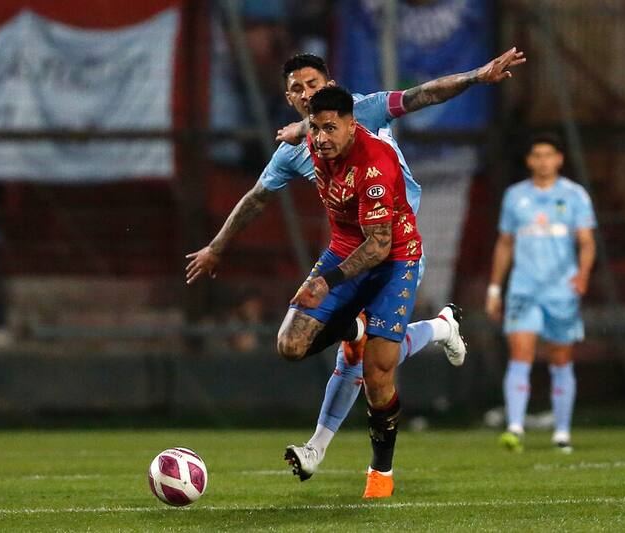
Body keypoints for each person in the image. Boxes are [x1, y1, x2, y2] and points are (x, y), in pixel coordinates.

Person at [186, 50, 524, 479]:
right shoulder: (298, 144)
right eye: (296, 89)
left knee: (368, 363)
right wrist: (216, 247)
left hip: (397, 247)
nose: (305, 94)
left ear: (329, 84)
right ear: (288, 98)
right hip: (348, 249)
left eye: (312, 84)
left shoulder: (361, 110)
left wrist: (477, 74)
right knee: (322, 348)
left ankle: (322, 450)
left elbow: (424, 94)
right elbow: (257, 198)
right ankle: (438, 328)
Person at [290, 85, 421, 497]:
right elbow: (302, 129)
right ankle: (353, 330)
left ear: (352, 125)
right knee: (290, 344)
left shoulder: (375, 164)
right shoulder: (316, 142)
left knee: (378, 373)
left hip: (394, 258)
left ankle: (380, 471)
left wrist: (326, 282)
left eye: (330, 128)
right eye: (315, 129)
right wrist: (298, 129)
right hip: (344, 250)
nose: (321, 137)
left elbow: (379, 245)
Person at [486, 133, 597, 454]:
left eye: (549, 154)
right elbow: (505, 243)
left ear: (559, 159)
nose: (543, 160)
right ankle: (515, 428)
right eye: (537, 155)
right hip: (524, 289)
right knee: (520, 354)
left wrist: (583, 275)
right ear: (529, 160)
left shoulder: (574, 195)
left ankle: (561, 432)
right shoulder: (515, 196)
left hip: (561, 291)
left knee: (561, 360)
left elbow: (586, 241)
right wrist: (495, 289)